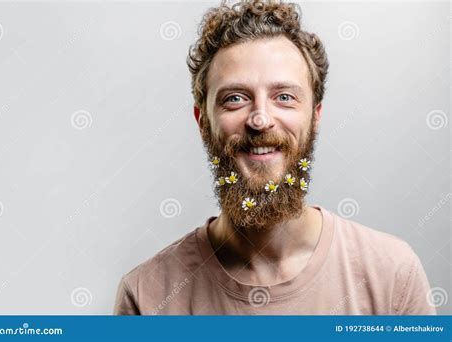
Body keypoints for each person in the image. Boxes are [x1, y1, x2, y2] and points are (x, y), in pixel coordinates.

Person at [113, 0, 436, 315]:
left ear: (315, 116)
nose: (260, 119)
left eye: (284, 97)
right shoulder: (147, 296)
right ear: (203, 121)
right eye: (235, 98)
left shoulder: (392, 276)